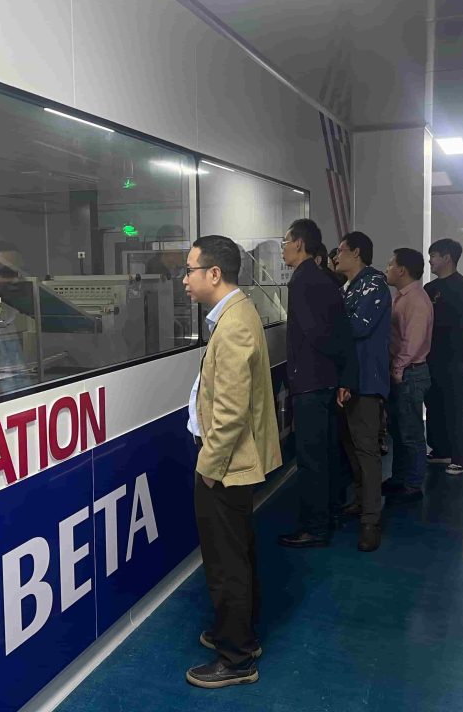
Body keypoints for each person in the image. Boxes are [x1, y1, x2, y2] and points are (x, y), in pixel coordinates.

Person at [183, 235, 282, 689]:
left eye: (190, 270)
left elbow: (230, 412)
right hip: (228, 463)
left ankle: (237, 657)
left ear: (214, 273)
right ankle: (237, 633)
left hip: (224, 467)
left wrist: (208, 466)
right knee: (235, 552)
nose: (185, 280)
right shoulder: (234, 314)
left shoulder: (235, 323)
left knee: (225, 562)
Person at [278, 219, 355, 548]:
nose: (282, 248)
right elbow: (340, 333)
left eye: (285, 241)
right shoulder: (324, 278)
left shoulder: (302, 281)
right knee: (326, 453)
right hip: (325, 380)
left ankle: (315, 527)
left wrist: (303, 370)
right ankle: (331, 511)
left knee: (310, 459)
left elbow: (316, 334)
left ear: (299, 243)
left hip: (310, 382)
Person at [334, 231, 391, 551]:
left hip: (366, 382)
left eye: (340, 251)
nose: (335, 256)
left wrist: (326, 320)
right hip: (347, 380)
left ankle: (371, 520)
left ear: (356, 253)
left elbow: (357, 326)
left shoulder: (374, 285)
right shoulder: (349, 287)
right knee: (351, 446)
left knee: (367, 451)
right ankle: (360, 500)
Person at [382, 248, 433, 501]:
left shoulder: (416, 301)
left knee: (411, 433)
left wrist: (397, 369)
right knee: (398, 431)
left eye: (390, 263)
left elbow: (412, 343)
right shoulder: (402, 297)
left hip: (410, 373)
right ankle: (399, 477)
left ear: (401, 270)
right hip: (402, 371)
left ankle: (412, 485)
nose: (387, 268)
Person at [424, 238, 463, 475]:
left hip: (453, 358)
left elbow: (459, 327)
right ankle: (441, 449)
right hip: (432, 357)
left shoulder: (460, 286)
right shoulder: (430, 288)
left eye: (433, 256)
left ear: (447, 258)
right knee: (434, 403)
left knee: (455, 406)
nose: (430, 261)